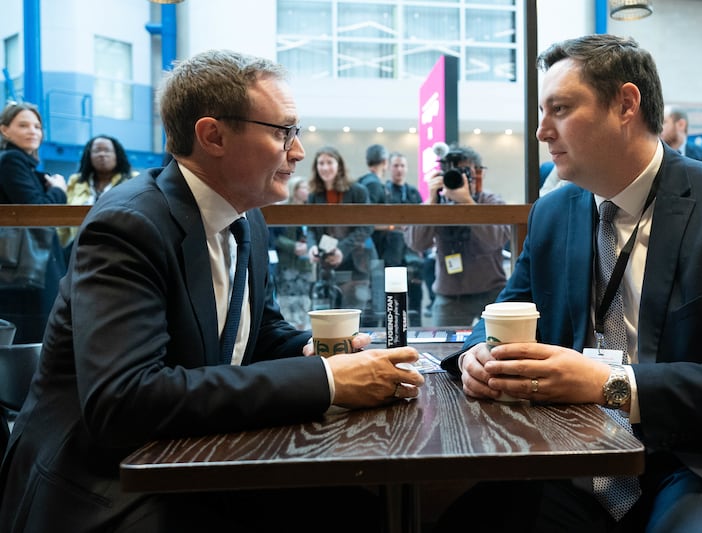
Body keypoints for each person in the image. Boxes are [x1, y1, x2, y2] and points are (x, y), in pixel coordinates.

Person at [0, 50, 424, 533]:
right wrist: (326, 381)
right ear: (212, 136)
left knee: (361, 510)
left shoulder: (248, 216)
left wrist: (314, 351)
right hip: (104, 486)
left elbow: (253, 332)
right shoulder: (129, 225)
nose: (299, 151)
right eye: (283, 132)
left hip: (193, 458)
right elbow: (124, 401)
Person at [436, 34, 702, 532]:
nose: (542, 131)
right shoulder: (552, 213)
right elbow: (505, 313)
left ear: (626, 104)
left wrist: (611, 385)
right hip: (571, 454)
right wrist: (478, 353)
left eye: (560, 109)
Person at [404, 145, 510, 327]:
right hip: (450, 296)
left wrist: (468, 203)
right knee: (446, 351)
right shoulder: (435, 203)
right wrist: (431, 203)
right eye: (452, 172)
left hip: (491, 291)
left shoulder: (489, 201)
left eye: (465, 172)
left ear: (478, 173)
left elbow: (497, 239)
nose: (459, 178)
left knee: (500, 347)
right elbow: (416, 243)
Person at [0, 102, 67, 343]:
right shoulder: (11, 161)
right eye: (23, 125)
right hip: (25, 269)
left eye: (37, 126)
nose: (33, 131)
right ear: (4, 130)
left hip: (25, 268)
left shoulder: (21, 164)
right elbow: (38, 211)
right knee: (32, 338)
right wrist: (59, 190)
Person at [306, 145, 378, 318]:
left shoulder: (357, 191)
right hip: (328, 263)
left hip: (356, 262)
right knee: (330, 316)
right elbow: (310, 228)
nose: (325, 167)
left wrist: (342, 249)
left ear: (339, 165)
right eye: (320, 163)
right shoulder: (314, 195)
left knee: (352, 315)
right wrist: (312, 247)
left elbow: (367, 226)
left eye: (329, 162)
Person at [57, 134, 138, 249]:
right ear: (89, 156)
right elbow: (64, 218)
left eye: (107, 150)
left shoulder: (133, 180)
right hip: (79, 247)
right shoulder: (75, 181)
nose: (102, 154)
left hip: (119, 247)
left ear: (117, 155)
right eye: (97, 151)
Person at [383, 151, 424, 325]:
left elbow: (423, 223)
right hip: (389, 258)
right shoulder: (383, 192)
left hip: (413, 259)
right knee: (390, 304)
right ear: (389, 168)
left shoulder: (414, 193)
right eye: (395, 165)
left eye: (402, 166)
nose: (399, 169)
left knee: (415, 301)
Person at [272, 175, 313, 330]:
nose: (307, 191)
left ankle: (304, 326)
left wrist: (310, 247)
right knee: (288, 297)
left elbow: (316, 234)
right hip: (287, 262)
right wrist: (292, 246)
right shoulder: (283, 209)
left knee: (304, 296)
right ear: (295, 190)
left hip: (305, 263)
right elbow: (274, 237)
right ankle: (289, 327)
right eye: (304, 187)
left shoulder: (312, 210)